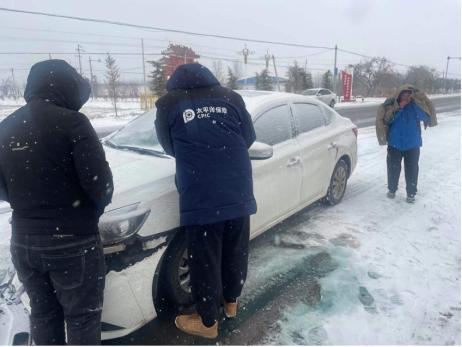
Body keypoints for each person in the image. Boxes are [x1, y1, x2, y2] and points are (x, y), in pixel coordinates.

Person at [0, 60, 114, 345]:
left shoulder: (6, 126)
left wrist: (27, 204)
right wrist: (86, 212)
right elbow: (102, 186)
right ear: (67, 87)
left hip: (24, 241)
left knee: (43, 313)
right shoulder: (73, 122)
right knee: (82, 317)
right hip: (72, 241)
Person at [155, 63, 257, 339]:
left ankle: (208, 322)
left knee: (205, 260)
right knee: (235, 250)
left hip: (201, 192)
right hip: (238, 187)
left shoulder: (168, 103)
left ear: (174, 83)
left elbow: (168, 145)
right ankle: (231, 303)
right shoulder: (231, 97)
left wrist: (197, 153)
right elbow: (248, 136)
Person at [376, 84, 437, 203]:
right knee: (393, 168)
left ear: (412, 95)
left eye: (409, 94)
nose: (406, 96)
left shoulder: (416, 105)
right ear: (399, 94)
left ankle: (411, 193)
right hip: (395, 144)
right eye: (404, 94)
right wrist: (399, 107)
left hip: (412, 145)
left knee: (412, 169)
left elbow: (425, 117)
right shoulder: (393, 105)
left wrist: (415, 104)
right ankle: (392, 189)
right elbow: (388, 120)